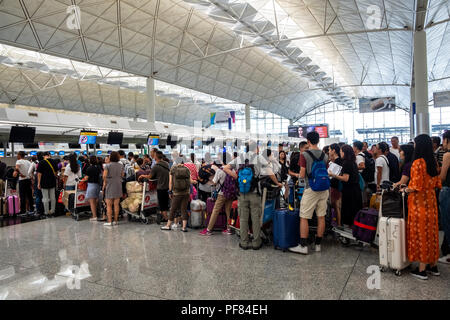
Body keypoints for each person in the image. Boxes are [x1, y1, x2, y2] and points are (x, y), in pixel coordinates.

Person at [223, 141, 282, 250]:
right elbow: (270, 172)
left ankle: (244, 242)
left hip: (242, 193)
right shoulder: (259, 158)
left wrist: (236, 177)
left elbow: (225, 168)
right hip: (255, 193)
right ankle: (256, 242)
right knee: (256, 218)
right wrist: (277, 183)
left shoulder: (240, 157)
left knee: (243, 218)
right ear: (257, 149)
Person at [404, 134, 442, 280]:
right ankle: (433, 266)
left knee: (420, 235)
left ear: (419, 145)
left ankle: (421, 270)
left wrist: (405, 189)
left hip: (419, 204)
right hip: (431, 203)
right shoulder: (433, 162)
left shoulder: (418, 162)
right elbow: (437, 183)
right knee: (431, 235)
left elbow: (416, 185)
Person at [289, 131, 328, 255]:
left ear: (308, 141)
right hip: (324, 188)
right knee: (321, 216)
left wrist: (298, 175)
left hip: (311, 188)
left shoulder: (304, 155)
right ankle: (317, 245)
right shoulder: (324, 155)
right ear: (318, 140)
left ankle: (303, 246)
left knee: (304, 217)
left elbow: (301, 174)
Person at [200, 158, 236, 236]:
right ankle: (229, 229)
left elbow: (214, 182)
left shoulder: (220, 170)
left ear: (222, 162)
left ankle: (209, 229)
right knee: (228, 211)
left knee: (215, 211)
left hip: (221, 193)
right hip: (230, 193)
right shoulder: (232, 170)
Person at [329, 145, 362, 227]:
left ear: (345, 152)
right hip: (356, 189)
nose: (340, 153)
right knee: (355, 210)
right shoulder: (352, 162)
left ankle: (350, 230)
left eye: (341, 151)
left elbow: (345, 178)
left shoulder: (346, 163)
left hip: (349, 191)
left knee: (349, 211)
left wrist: (333, 175)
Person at [160, 161, 191, 232]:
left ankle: (168, 226)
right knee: (184, 209)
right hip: (186, 192)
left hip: (177, 193)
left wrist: (170, 191)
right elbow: (189, 180)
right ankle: (184, 227)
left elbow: (170, 182)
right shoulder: (186, 169)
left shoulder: (173, 169)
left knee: (173, 209)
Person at [139, 151, 170, 221]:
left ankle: (165, 218)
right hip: (167, 186)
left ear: (156, 157)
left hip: (161, 187)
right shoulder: (166, 164)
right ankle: (164, 216)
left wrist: (142, 175)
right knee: (165, 203)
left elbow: (150, 176)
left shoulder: (156, 166)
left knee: (162, 204)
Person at [102, 151, 124, 227]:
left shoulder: (107, 166)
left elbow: (104, 176)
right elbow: (122, 175)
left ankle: (109, 221)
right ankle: (115, 221)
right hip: (118, 184)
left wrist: (106, 182)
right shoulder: (121, 165)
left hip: (110, 184)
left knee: (109, 204)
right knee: (116, 204)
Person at [438, 130, 450, 264]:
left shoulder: (447, 155)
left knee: (447, 222)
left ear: (447, 139)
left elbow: (443, 176)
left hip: (447, 190)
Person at [37, 152, 58, 218]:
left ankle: (46, 212)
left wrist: (39, 183)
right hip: (52, 181)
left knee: (45, 198)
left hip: (44, 182)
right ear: (49, 155)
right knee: (53, 197)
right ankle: (52, 211)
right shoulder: (54, 162)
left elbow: (39, 174)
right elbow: (56, 172)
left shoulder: (41, 162)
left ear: (44, 156)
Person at [328, 143, 343, 226]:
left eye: (330, 149)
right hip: (336, 186)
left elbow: (332, 175)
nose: (329, 151)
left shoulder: (338, 162)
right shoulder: (337, 161)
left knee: (336, 206)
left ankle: (338, 224)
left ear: (334, 151)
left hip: (335, 186)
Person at [86, 156, 102, 222]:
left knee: (92, 201)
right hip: (97, 185)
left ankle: (94, 216)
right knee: (96, 200)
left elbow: (86, 177)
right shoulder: (98, 167)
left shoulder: (89, 168)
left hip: (91, 185)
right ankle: (97, 213)